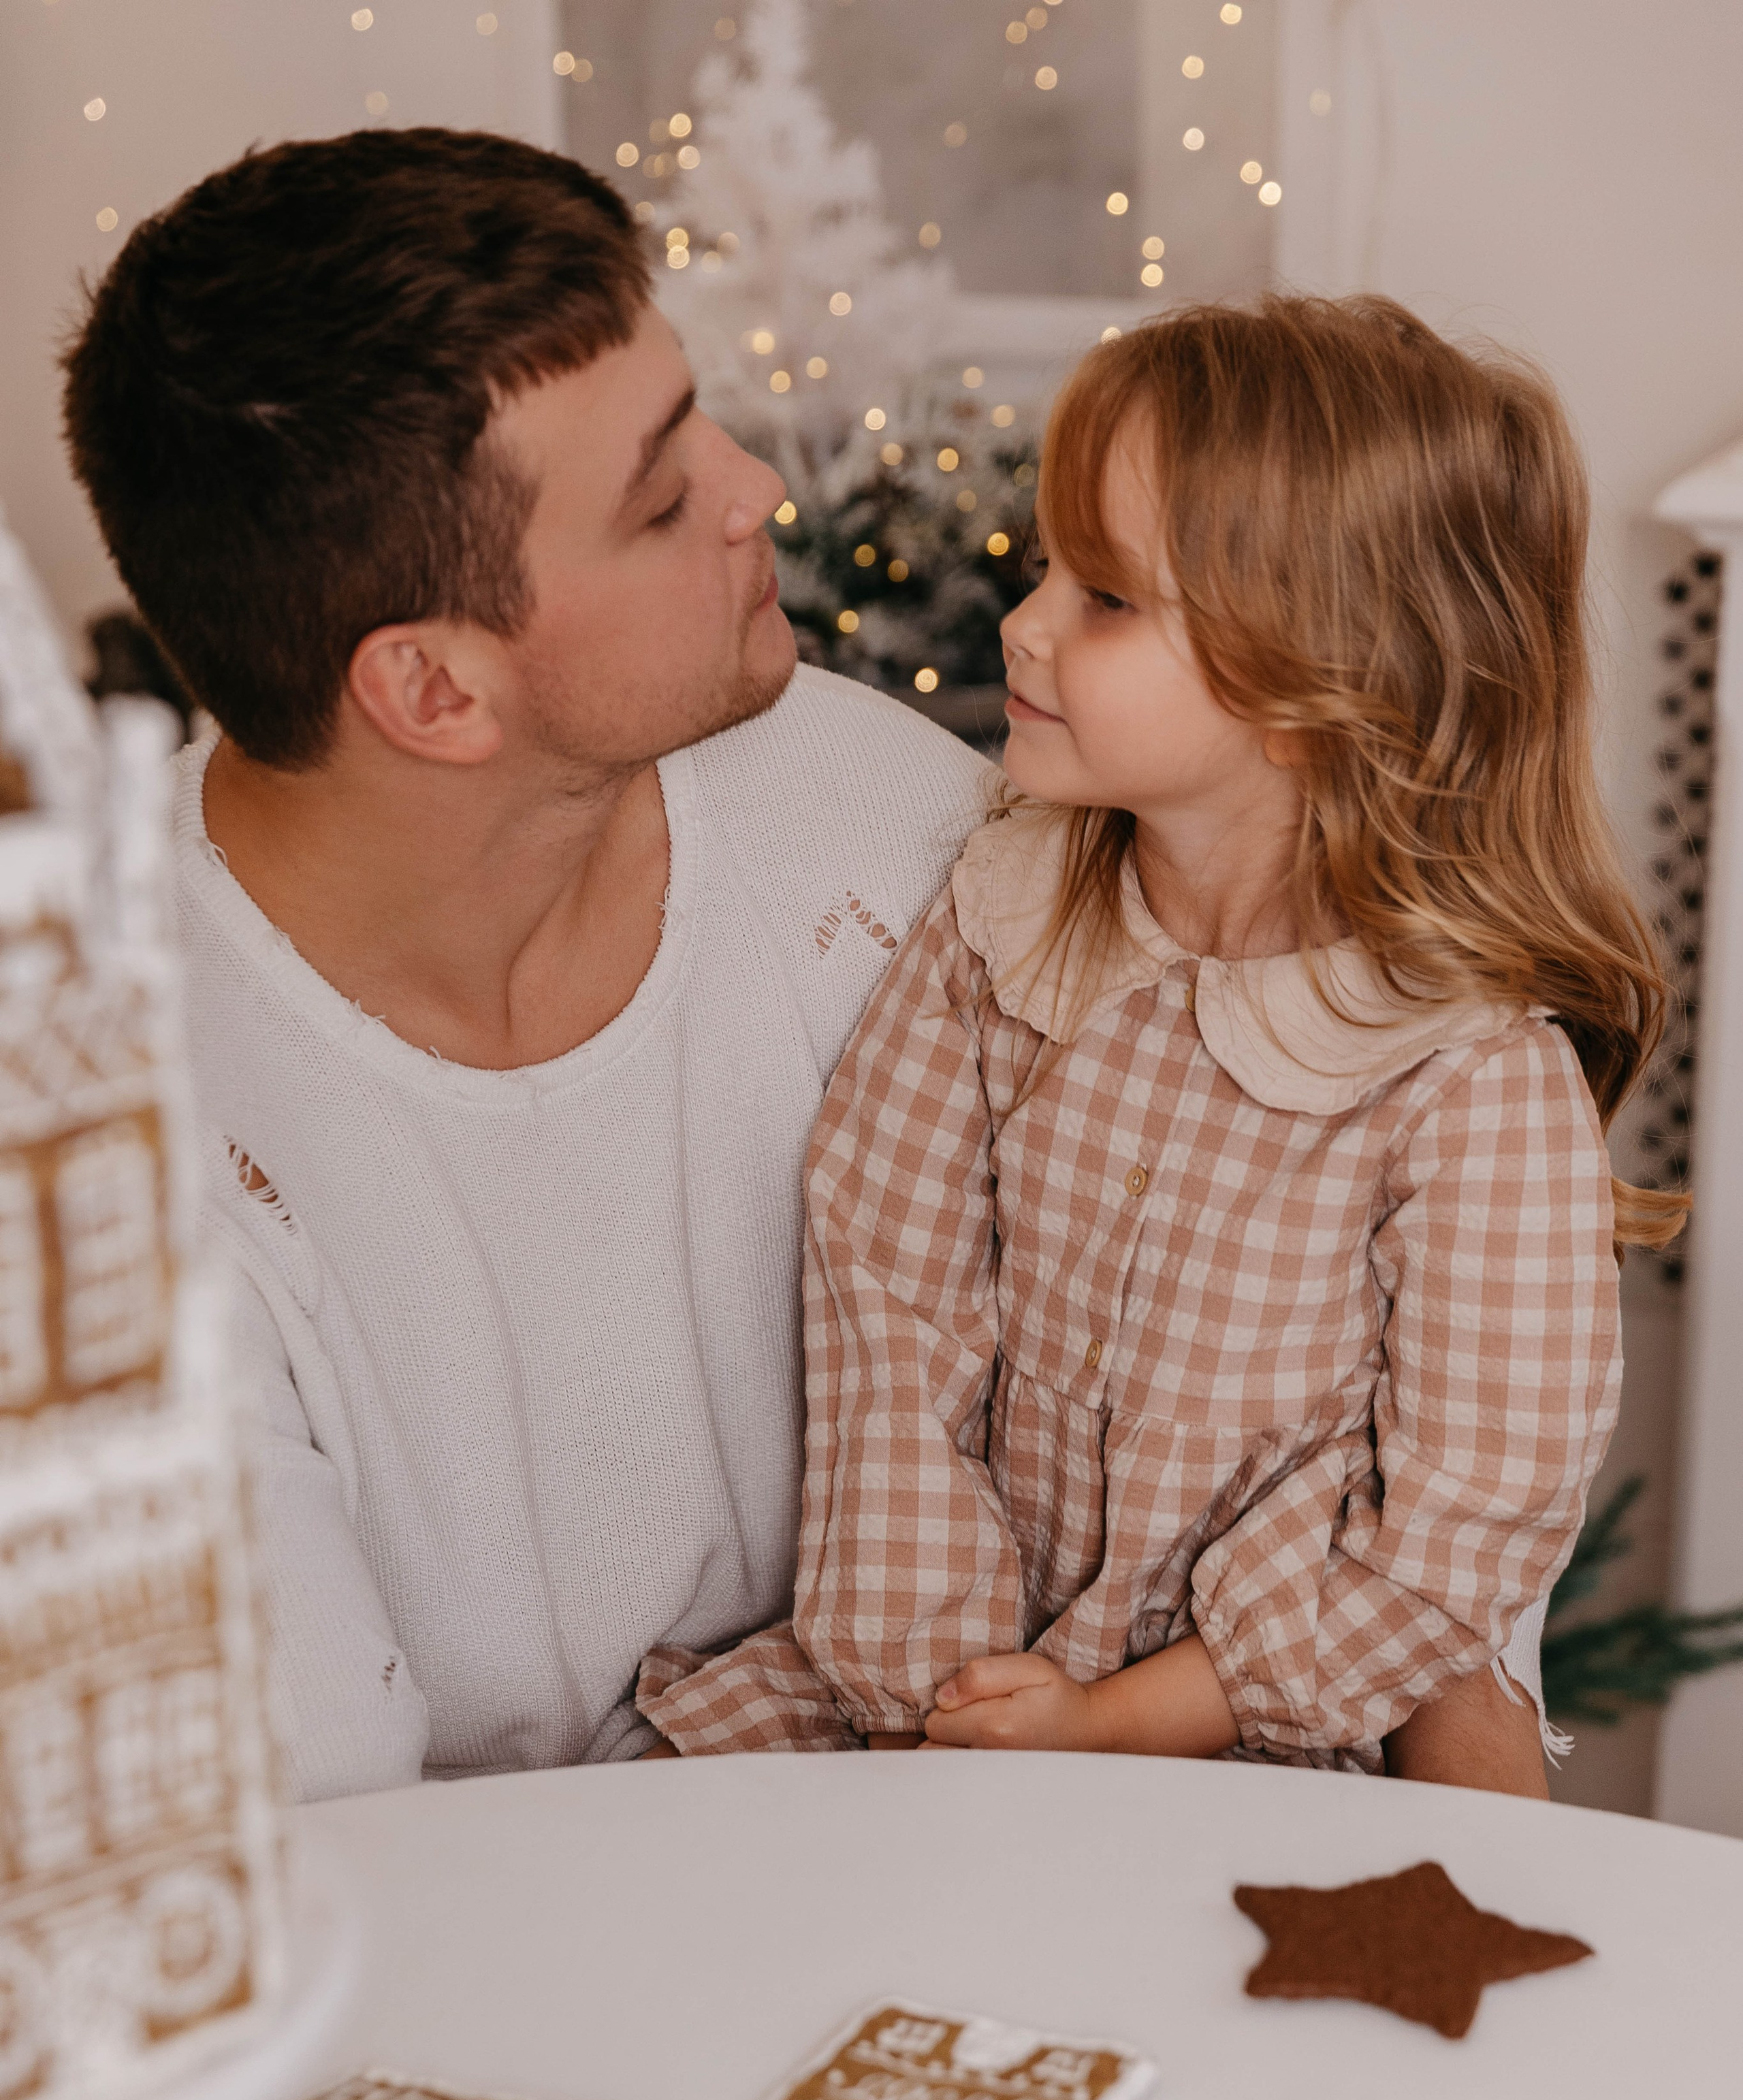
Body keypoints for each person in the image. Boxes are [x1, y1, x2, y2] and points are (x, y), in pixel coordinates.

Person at [60, 138, 1538, 1799]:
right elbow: (313, 1856)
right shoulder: (99, 1168)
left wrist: (1465, 1719)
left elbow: (1343, 1290)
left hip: (1030, 1817)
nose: (756, 482)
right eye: (658, 492)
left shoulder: (897, 827)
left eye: (697, 410)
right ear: (432, 690)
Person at [639, 297, 1682, 1796]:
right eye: (1049, 564)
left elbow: (1455, 1534)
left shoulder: (1467, 1082)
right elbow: (887, 1287)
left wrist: (1112, 1723)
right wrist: (939, 1683)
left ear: (1317, 689)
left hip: (1236, 1740)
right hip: (932, 1706)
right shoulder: (1011, 907)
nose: (1024, 622)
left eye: (1107, 598)